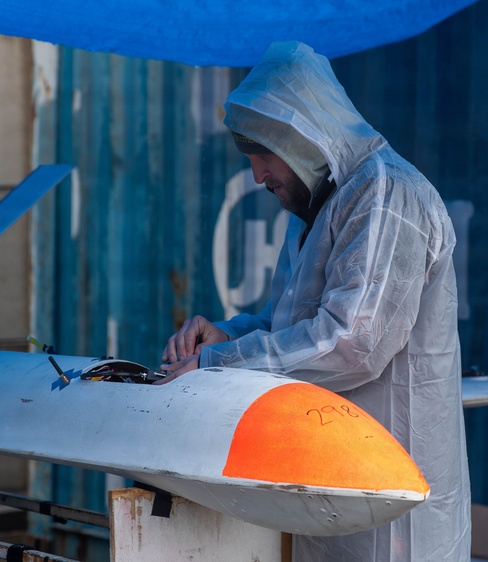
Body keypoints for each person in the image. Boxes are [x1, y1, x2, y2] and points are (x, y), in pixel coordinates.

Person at [160, 41, 470, 561]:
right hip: (330, 491)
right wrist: (226, 334)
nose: (257, 176)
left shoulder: (388, 197)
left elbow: (351, 342)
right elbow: (287, 324)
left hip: (395, 507)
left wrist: (213, 363)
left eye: (263, 155)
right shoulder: (319, 209)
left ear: (305, 139)